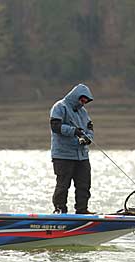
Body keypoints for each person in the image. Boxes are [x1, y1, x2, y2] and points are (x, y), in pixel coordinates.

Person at [49, 83, 94, 214]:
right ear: (75, 96)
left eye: (86, 101)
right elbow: (55, 127)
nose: (83, 103)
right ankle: (60, 209)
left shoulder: (83, 111)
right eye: (82, 99)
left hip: (82, 155)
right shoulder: (59, 107)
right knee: (63, 185)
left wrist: (87, 138)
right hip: (63, 155)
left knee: (84, 185)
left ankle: (82, 210)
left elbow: (89, 127)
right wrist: (74, 131)